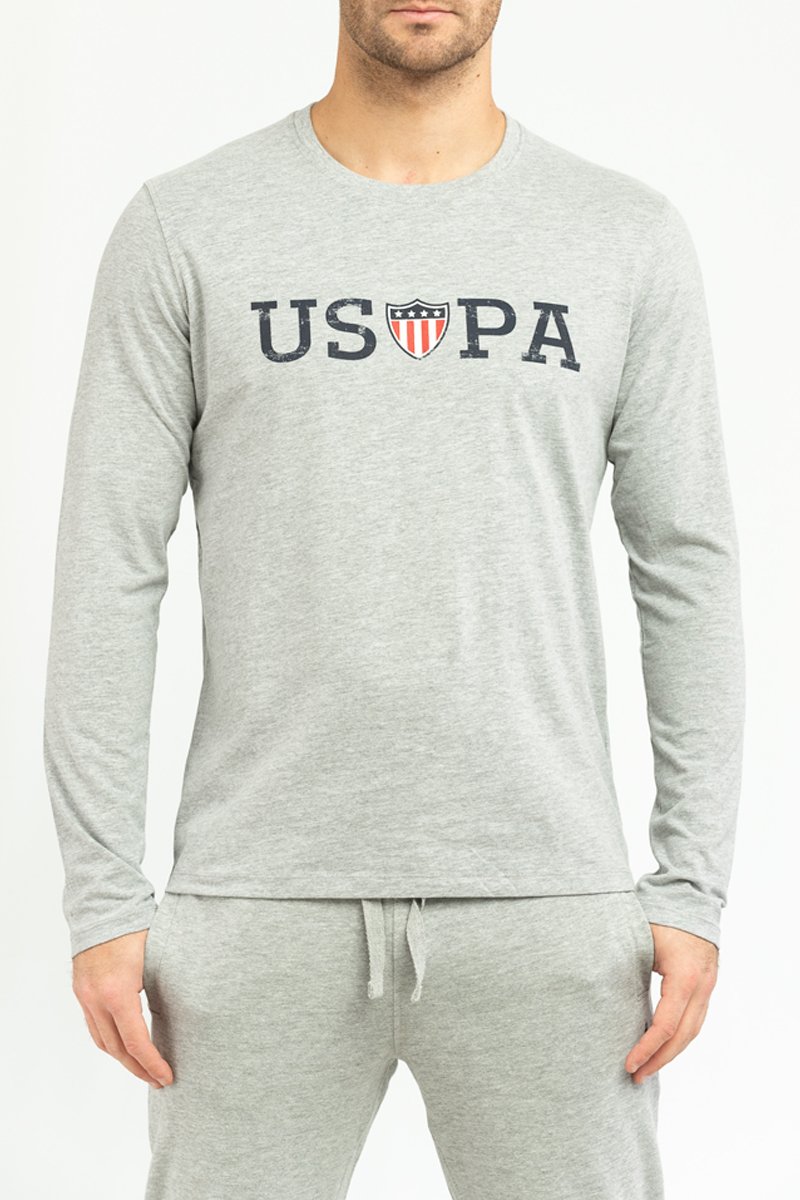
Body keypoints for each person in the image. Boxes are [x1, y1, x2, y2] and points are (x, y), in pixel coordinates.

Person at [42, 2, 745, 1197]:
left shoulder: (620, 236)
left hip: (546, 902)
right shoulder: (186, 227)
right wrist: (102, 896)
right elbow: (108, 561)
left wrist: (691, 883)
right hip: (256, 902)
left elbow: (686, 565)